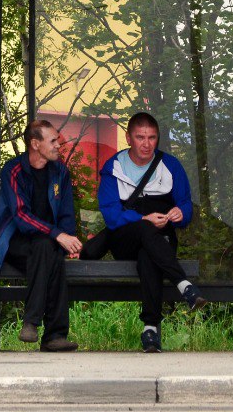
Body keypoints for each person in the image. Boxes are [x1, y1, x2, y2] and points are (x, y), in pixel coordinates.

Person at [86, 112, 207, 353]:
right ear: (128, 138)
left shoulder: (170, 165)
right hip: (124, 239)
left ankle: (150, 331)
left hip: (160, 241)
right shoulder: (114, 167)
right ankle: (184, 284)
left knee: (148, 256)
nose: (146, 143)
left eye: (152, 137)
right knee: (144, 228)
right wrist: (143, 218)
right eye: (140, 137)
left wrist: (181, 213)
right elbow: (111, 215)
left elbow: (185, 204)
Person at [0, 120, 83, 352]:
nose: (58, 145)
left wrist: (69, 241)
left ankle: (32, 323)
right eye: (53, 141)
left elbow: (66, 213)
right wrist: (58, 235)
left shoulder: (60, 171)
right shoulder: (13, 170)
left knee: (48, 250)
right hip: (14, 241)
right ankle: (54, 334)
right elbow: (21, 217)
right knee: (47, 249)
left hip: (47, 242)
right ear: (35, 144)